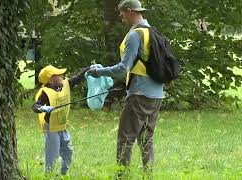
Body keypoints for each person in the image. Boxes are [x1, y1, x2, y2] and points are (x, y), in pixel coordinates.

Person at [87, 0, 163, 177]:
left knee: (125, 139)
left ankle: (122, 176)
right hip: (157, 94)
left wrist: (99, 72)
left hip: (139, 94)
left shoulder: (135, 35)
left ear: (129, 11)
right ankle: (148, 175)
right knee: (146, 139)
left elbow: (123, 68)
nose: (121, 19)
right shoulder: (152, 32)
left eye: (122, 15)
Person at [32, 65, 88, 175]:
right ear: (51, 80)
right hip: (51, 128)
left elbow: (77, 78)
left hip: (62, 126)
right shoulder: (45, 92)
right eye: (58, 75)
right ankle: (48, 175)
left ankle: (63, 174)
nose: (62, 76)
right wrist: (42, 108)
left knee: (68, 151)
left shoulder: (65, 84)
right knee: (52, 154)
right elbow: (35, 106)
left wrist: (89, 69)